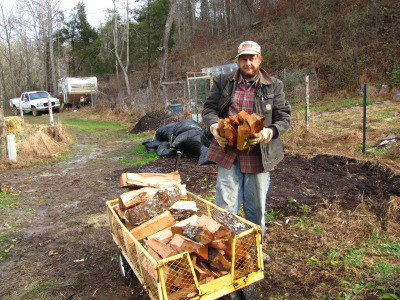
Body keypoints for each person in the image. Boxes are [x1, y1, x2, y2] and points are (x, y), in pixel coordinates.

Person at [202, 41, 291, 263]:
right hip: (228, 151)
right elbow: (209, 109)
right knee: (225, 206)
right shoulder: (224, 81)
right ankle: (223, 251)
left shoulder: (274, 86)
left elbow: (284, 118)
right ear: (238, 60)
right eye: (244, 58)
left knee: (256, 207)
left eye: (252, 58)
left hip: (257, 155)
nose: (248, 62)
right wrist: (214, 127)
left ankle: (255, 249)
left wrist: (268, 133)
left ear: (259, 59)